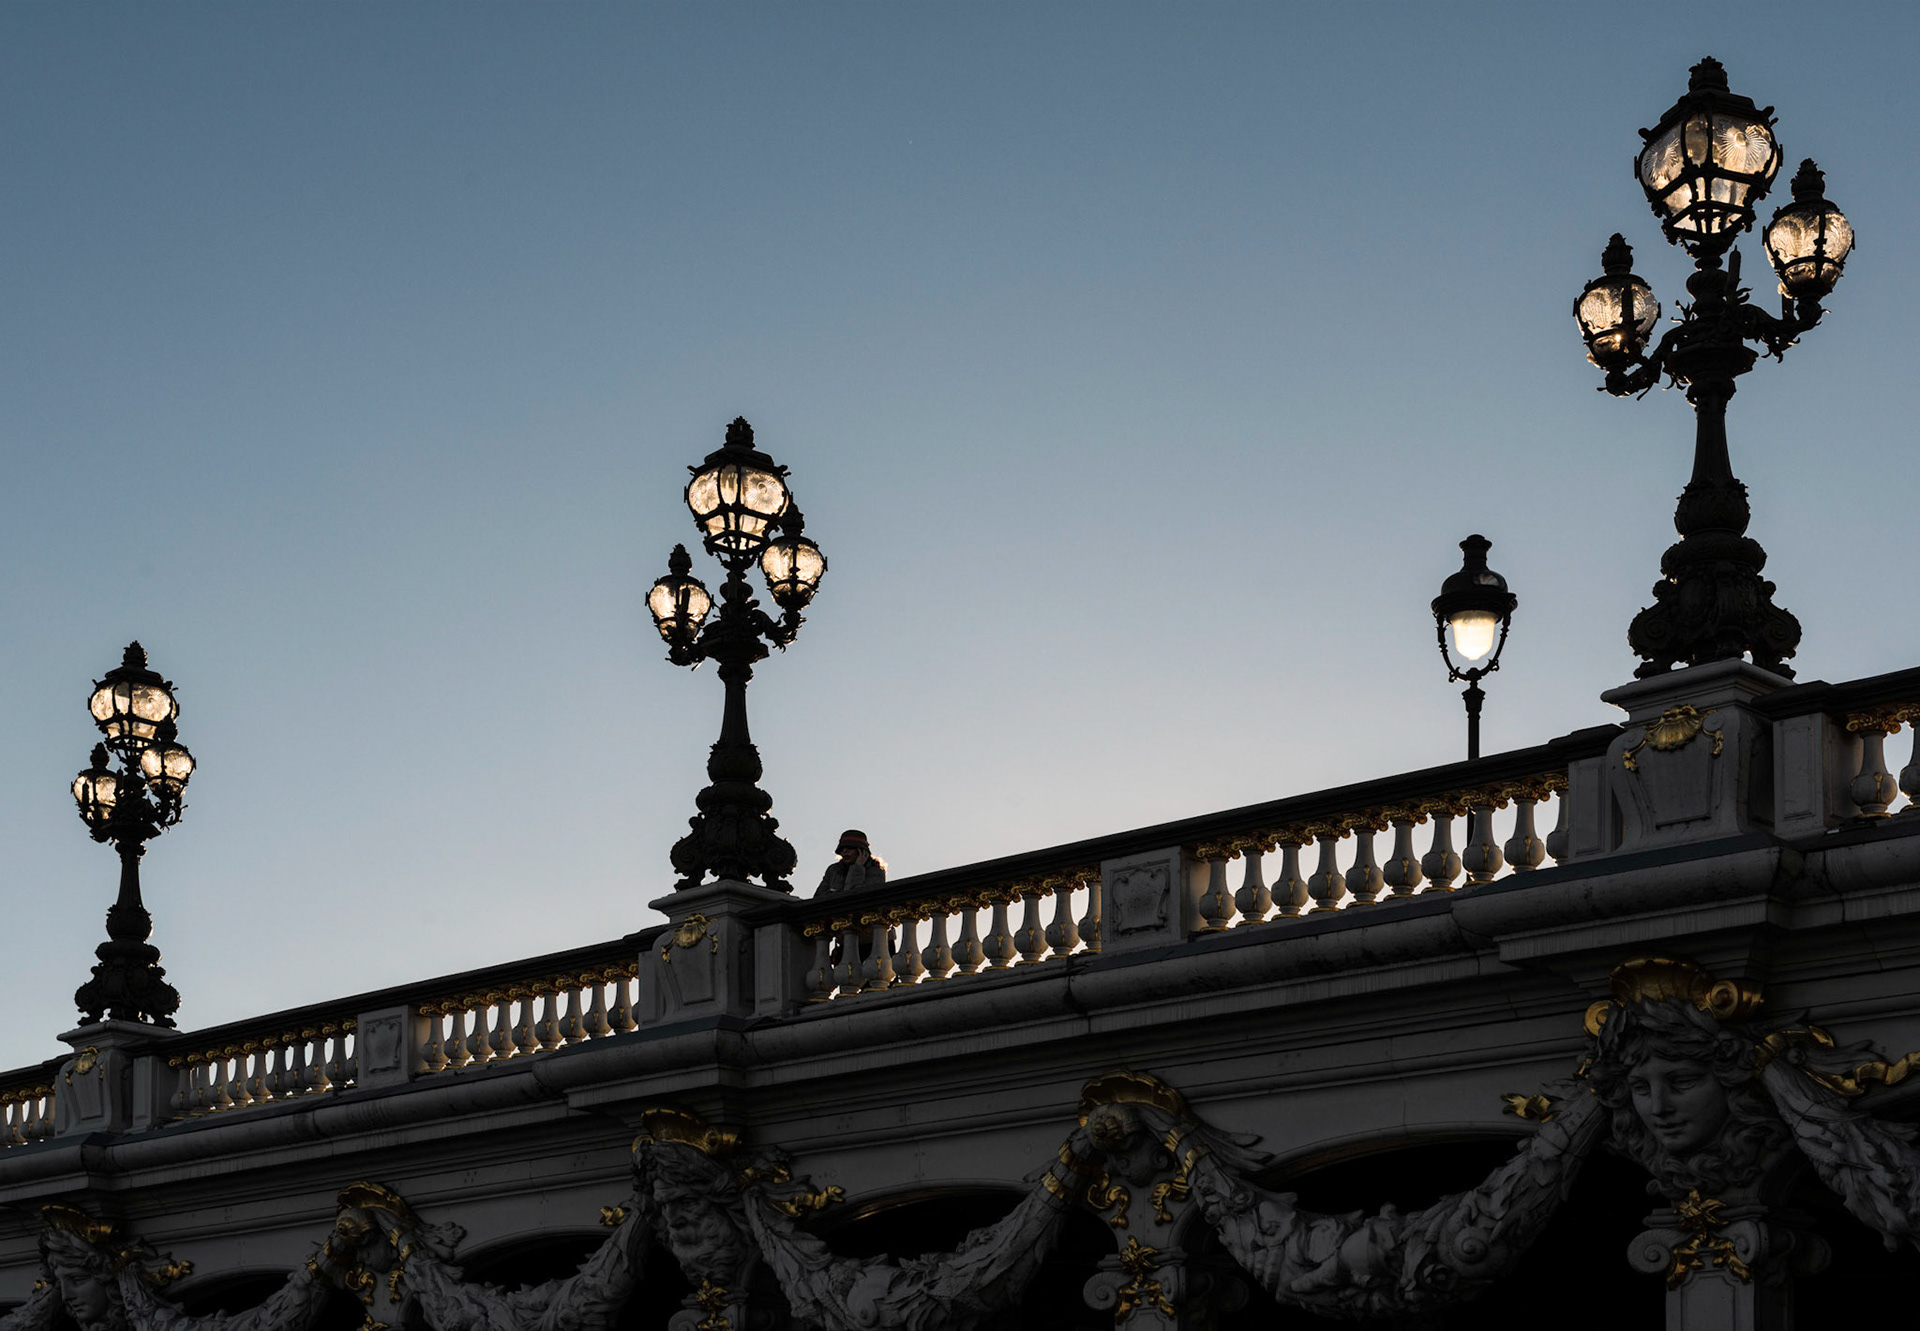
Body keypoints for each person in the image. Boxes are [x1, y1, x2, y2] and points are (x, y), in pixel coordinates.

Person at [814, 830, 886, 898]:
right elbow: (818, 898)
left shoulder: (876, 872)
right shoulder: (833, 870)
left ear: (862, 851)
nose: (845, 851)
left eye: (850, 848)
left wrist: (857, 868)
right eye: (842, 849)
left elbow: (856, 897)